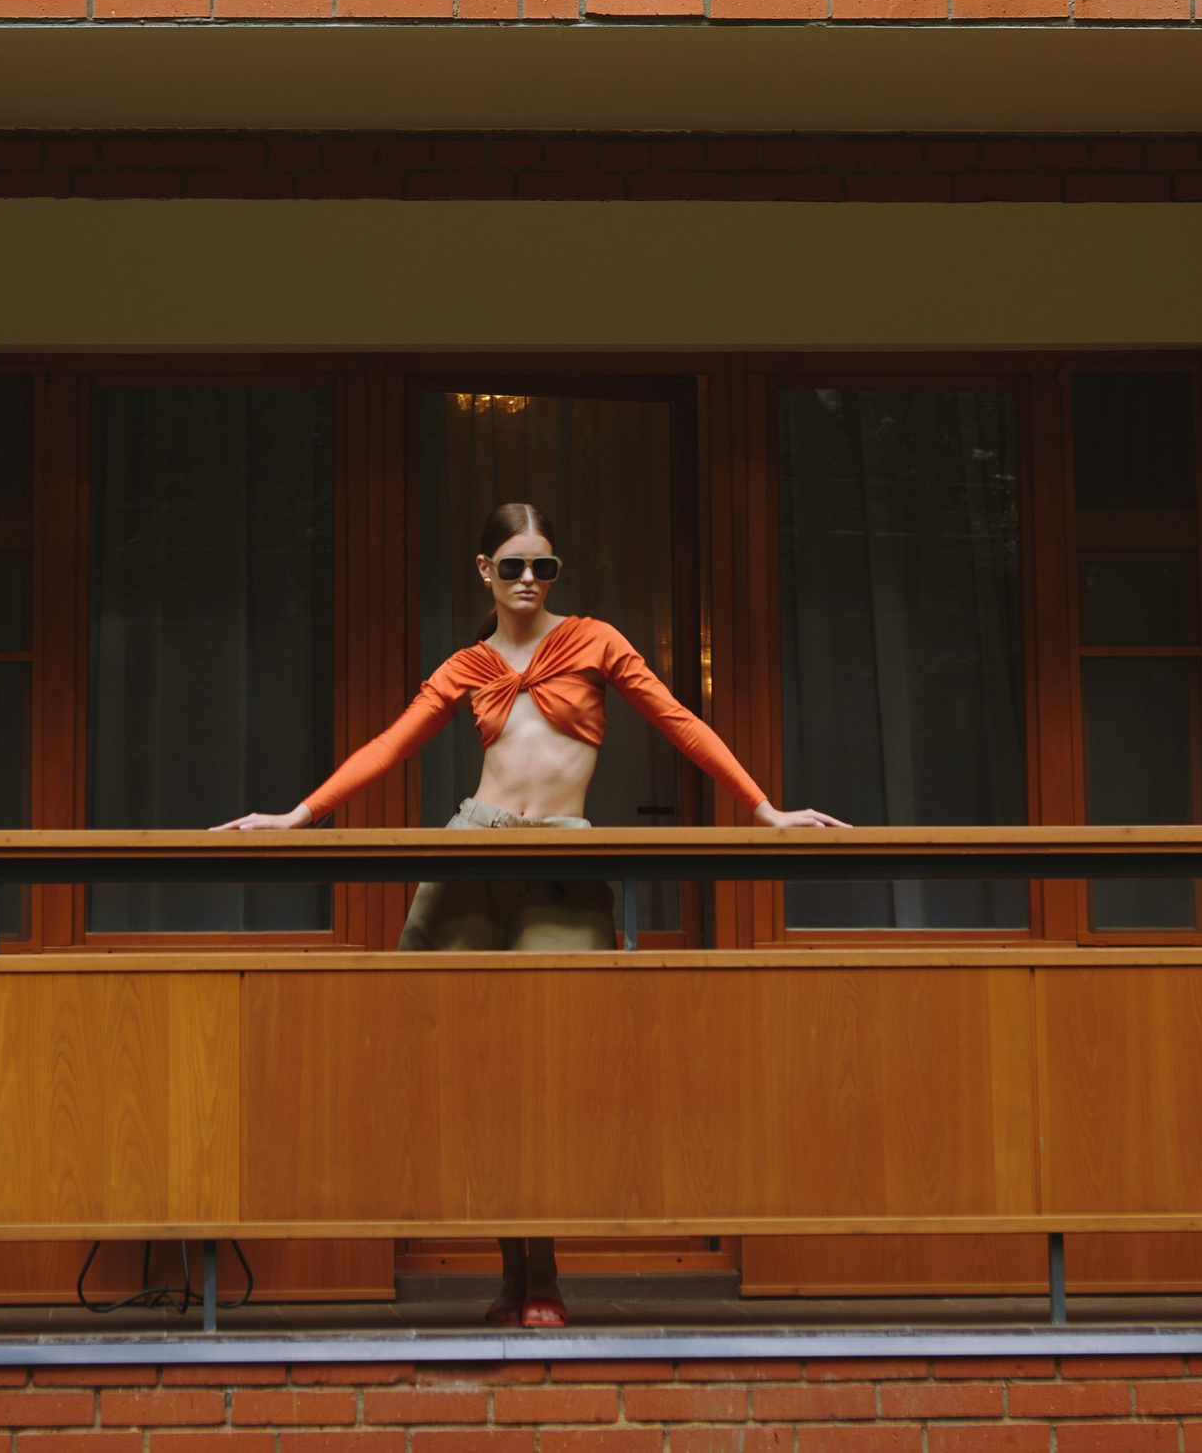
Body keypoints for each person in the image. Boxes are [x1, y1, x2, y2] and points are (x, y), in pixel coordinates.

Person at [216, 496, 845, 1329]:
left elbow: (677, 720)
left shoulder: (595, 641)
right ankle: (511, 1270)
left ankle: (543, 1272)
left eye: (542, 566)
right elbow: (390, 744)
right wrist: (299, 816)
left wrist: (763, 810)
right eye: (511, 565)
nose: (527, 579)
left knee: (554, 1063)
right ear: (484, 570)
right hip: (472, 857)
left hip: (561, 864)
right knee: (470, 1065)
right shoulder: (467, 665)